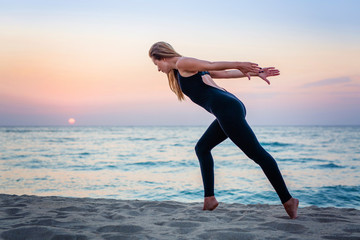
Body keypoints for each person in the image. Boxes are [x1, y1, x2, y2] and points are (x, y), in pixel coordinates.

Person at [148, 41, 299, 219]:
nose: (158, 69)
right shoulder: (184, 69)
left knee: (257, 154)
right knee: (202, 148)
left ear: (162, 57)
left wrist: (240, 63)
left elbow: (212, 65)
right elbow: (225, 74)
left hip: (227, 109)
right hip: (228, 108)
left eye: (156, 64)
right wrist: (256, 72)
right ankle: (209, 199)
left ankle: (288, 200)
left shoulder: (182, 63)